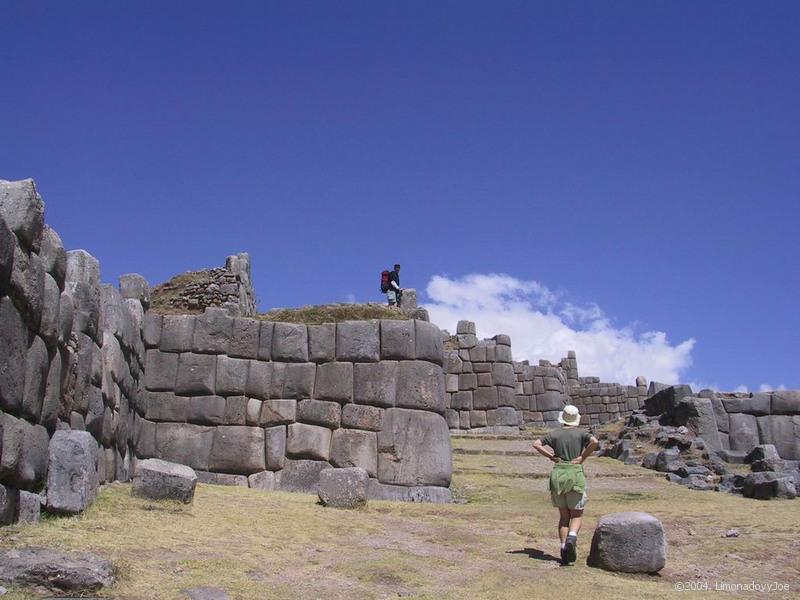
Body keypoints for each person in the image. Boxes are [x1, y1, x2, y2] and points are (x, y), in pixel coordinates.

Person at [532, 405, 598, 565]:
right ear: (576, 419)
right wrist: (583, 457)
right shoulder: (582, 433)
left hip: (558, 475)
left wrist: (551, 457)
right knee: (576, 515)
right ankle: (572, 537)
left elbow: (536, 444)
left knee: (563, 517)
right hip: (574, 474)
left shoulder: (554, 434)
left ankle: (563, 547)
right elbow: (595, 442)